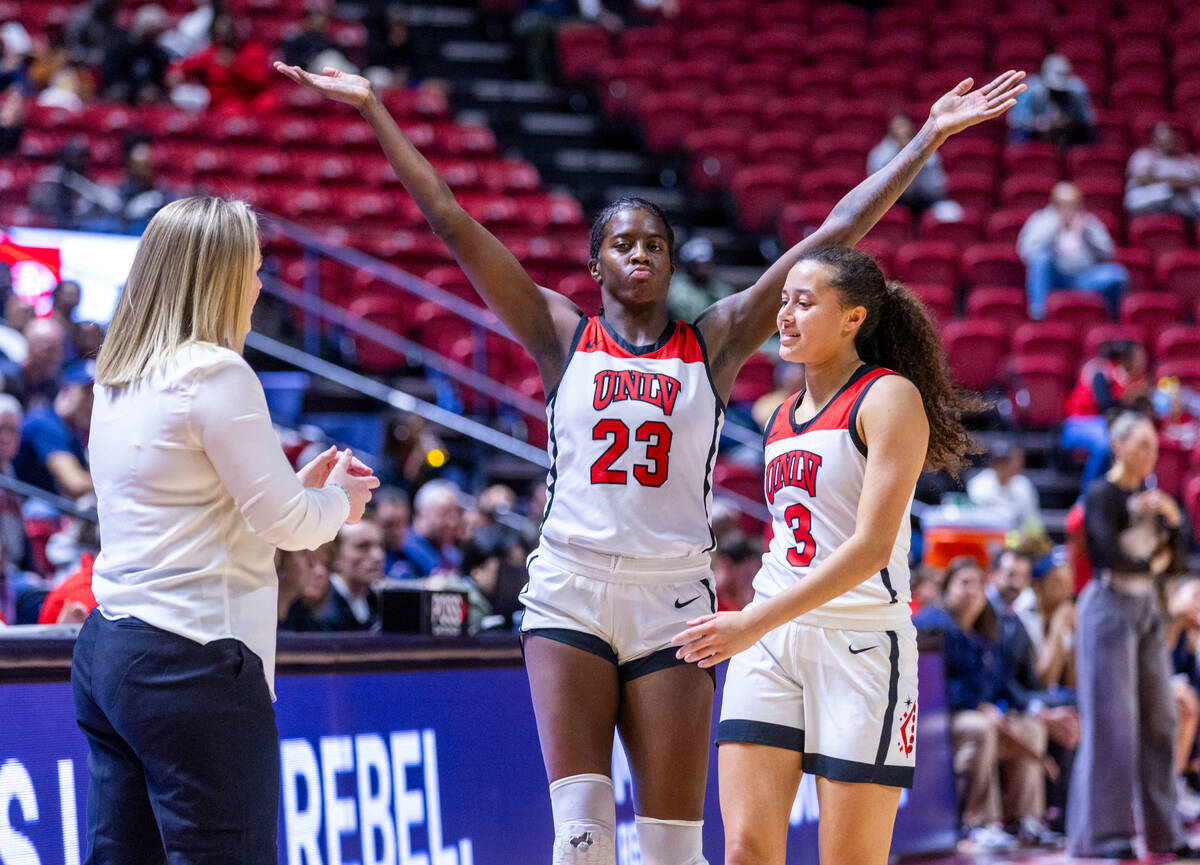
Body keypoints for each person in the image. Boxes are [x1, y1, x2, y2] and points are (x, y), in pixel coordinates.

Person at [277, 59, 1024, 865]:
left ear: (673, 265)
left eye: (656, 244)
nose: (641, 253)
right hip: (569, 588)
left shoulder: (717, 338)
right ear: (596, 266)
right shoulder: (560, 333)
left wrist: (927, 139)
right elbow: (452, 221)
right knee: (584, 837)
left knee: (673, 851)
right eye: (623, 244)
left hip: (674, 600)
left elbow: (833, 233)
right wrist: (374, 107)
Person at [668, 229, 1020, 865]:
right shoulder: (778, 414)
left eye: (805, 302)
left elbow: (868, 548)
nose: (785, 315)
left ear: (853, 317)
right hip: (772, 641)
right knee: (746, 848)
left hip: (860, 645)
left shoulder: (888, 397)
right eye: (784, 301)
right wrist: (756, 624)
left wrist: (749, 620)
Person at [71, 196, 378, 861]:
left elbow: (198, 515)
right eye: (254, 269)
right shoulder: (217, 371)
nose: (260, 285)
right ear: (218, 276)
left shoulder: (117, 377)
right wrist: (340, 504)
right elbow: (290, 525)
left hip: (110, 652)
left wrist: (299, 489)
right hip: (193, 663)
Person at [1068, 412, 1196, 860]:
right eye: (1141, 444)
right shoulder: (1102, 493)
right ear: (1118, 445)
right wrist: (1154, 562)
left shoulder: (1154, 499)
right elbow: (1107, 555)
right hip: (1107, 606)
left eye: (1154, 448)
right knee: (1112, 724)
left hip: (1146, 609)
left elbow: (1177, 562)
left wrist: (1175, 519)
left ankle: (1164, 832)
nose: (1149, 455)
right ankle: (1103, 836)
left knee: (1161, 719)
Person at [914, 558, 1049, 852]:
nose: (973, 590)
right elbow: (933, 688)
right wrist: (978, 705)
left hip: (983, 714)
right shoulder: (931, 626)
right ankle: (978, 824)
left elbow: (1003, 685)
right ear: (947, 589)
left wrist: (1032, 710)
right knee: (980, 727)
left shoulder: (987, 629)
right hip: (938, 720)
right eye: (964, 583)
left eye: (978, 583)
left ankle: (1024, 820)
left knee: (1030, 729)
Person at [1017, 181, 1128, 320]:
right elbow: (1026, 252)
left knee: (1116, 274)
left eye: (1073, 205)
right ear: (1054, 204)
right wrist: (1053, 229)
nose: (1068, 210)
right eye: (1063, 205)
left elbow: (1108, 254)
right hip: (1055, 277)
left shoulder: (1089, 222)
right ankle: (1038, 314)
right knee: (1040, 257)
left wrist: (1086, 233)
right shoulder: (1041, 220)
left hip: (1083, 277)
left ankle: (1111, 319)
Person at [1061, 340, 1149, 493]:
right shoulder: (1103, 371)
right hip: (1078, 423)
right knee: (1105, 442)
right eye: (1138, 356)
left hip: (1101, 424)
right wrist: (1130, 397)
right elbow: (1105, 405)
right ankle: (1086, 498)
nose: (1142, 361)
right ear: (1125, 358)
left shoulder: (1128, 380)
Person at [14, 360, 94, 498]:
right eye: (86, 393)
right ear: (66, 391)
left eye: (95, 395)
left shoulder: (72, 433)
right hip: (23, 508)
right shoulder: (45, 422)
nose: (92, 403)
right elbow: (75, 483)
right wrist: (120, 482)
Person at [1008, 54, 1095, 147]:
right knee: (1018, 136)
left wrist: (1067, 124)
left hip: (1069, 135)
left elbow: (1087, 120)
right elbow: (1016, 120)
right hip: (1034, 134)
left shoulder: (1077, 90)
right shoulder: (1029, 89)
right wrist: (1039, 123)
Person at [868, 115, 949, 215]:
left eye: (906, 133)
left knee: (948, 212)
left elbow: (937, 187)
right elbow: (875, 191)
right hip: (891, 204)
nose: (902, 133)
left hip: (924, 201)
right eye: (898, 131)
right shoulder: (879, 154)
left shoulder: (928, 150)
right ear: (891, 133)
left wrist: (917, 163)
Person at [314, 517, 384, 631]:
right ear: (335, 555)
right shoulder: (322, 610)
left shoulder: (376, 602)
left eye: (380, 546)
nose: (378, 556)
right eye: (363, 546)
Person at [1125, 122, 1200, 220]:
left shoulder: (1188, 160)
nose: (1167, 140)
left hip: (1184, 203)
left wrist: (1177, 184)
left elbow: (1196, 181)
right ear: (1153, 139)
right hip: (1153, 201)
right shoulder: (1143, 156)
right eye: (1162, 137)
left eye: (1170, 137)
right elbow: (1142, 179)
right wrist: (1172, 184)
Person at [966, 440, 1041, 532]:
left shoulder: (1024, 486)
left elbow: (1033, 521)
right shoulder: (978, 485)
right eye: (999, 461)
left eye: (1006, 461)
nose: (1002, 466)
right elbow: (976, 522)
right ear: (992, 463)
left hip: (1019, 542)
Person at [400, 478, 464, 578]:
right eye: (444, 513)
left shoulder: (453, 555)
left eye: (456, 513)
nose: (453, 522)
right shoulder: (401, 548)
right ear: (420, 513)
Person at [667, 237, 735, 324]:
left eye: (707, 264)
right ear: (689, 267)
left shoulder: (722, 290)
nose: (704, 269)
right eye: (698, 265)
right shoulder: (674, 288)